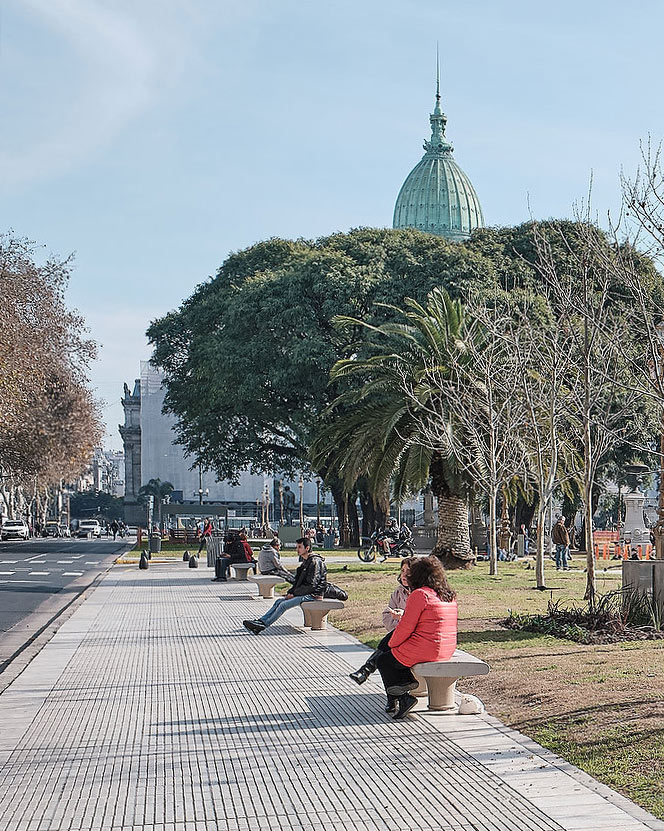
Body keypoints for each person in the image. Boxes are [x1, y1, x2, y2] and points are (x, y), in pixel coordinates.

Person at [374, 556, 457, 720]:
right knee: (395, 656)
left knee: (384, 660)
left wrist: (392, 645)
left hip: (426, 649)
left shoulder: (420, 595)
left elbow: (405, 628)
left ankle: (404, 697)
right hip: (446, 649)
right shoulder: (448, 595)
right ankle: (404, 686)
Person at [349, 557, 414, 686]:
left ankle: (367, 670)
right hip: (399, 635)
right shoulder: (398, 592)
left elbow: (419, 621)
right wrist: (401, 625)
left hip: (416, 639)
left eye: (409, 571)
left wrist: (403, 618)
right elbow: (387, 616)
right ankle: (396, 698)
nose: (404, 575)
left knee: (385, 658)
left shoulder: (421, 593)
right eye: (402, 570)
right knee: (388, 652)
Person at [243, 538, 326, 633]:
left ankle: (263, 626)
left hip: (313, 595)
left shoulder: (314, 562)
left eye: (299, 547)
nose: (297, 549)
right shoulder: (306, 561)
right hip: (305, 593)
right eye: (296, 547)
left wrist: (295, 595)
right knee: (279, 601)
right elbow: (298, 582)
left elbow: (311, 585)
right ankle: (261, 621)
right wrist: (291, 593)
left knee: (283, 605)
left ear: (307, 548)